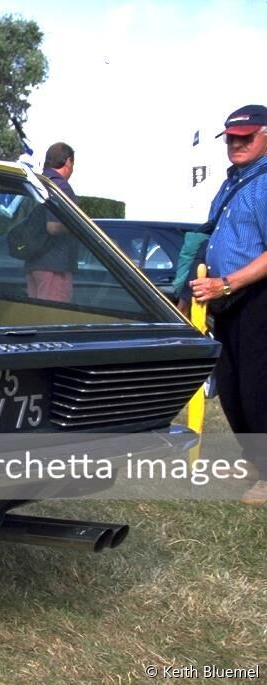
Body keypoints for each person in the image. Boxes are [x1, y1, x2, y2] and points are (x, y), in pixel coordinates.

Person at [189, 104, 267, 505]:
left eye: (247, 136)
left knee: (258, 388)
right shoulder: (235, 181)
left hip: (256, 298)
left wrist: (227, 283)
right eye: (231, 138)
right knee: (234, 388)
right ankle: (256, 459)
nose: (236, 144)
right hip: (228, 301)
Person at [24, 142, 79, 302]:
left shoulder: (35, 184)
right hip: (55, 267)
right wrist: (77, 227)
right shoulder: (61, 187)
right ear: (68, 161)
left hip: (33, 263)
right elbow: (53, 227)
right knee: (53, 319)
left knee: (35, 317)